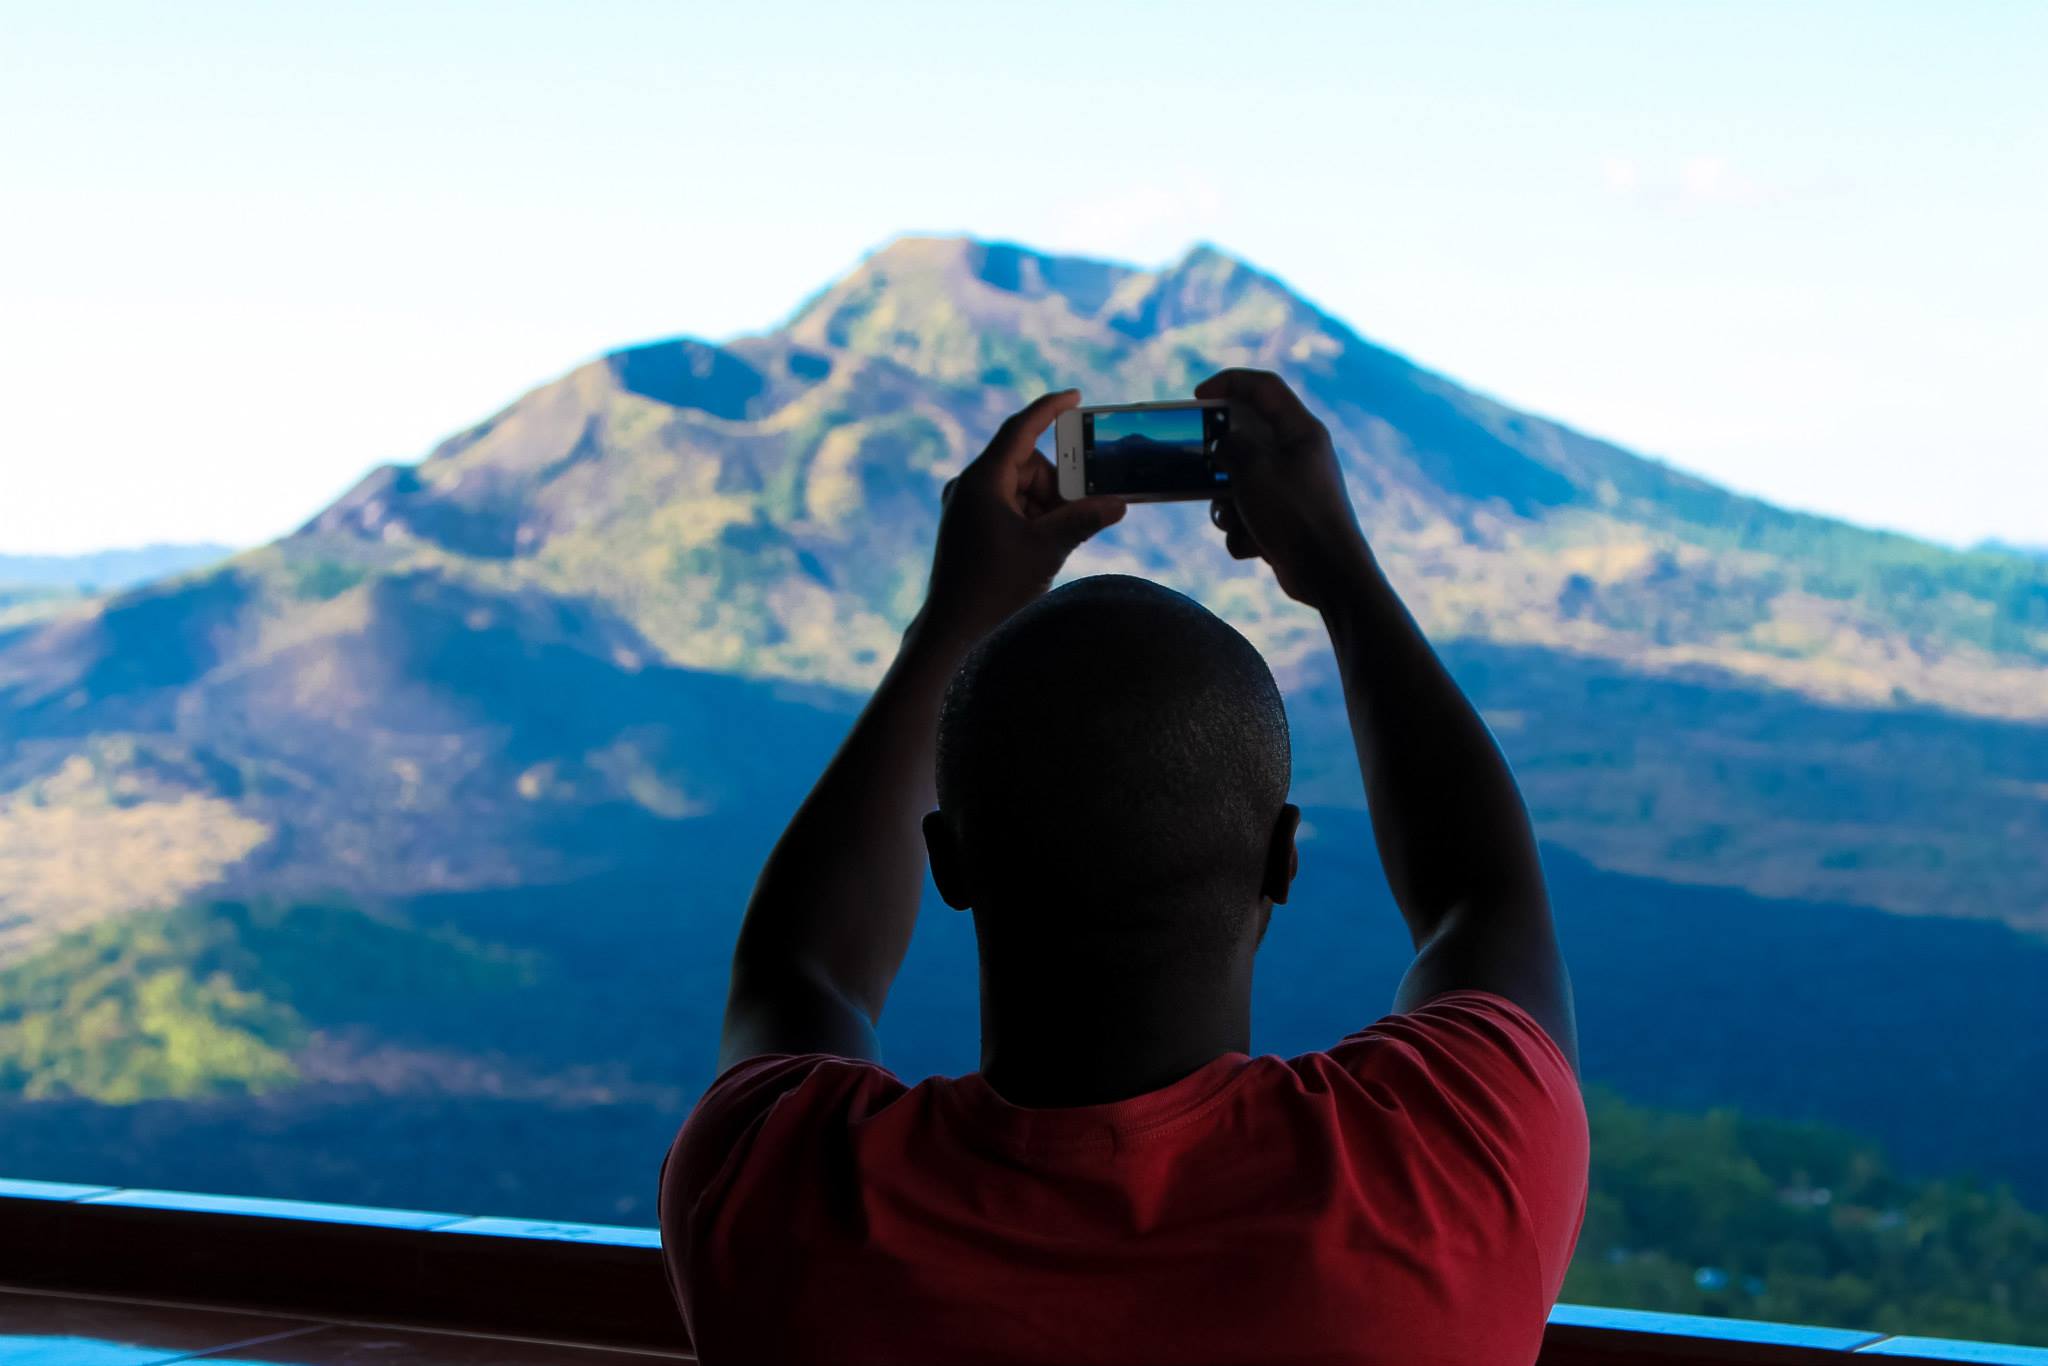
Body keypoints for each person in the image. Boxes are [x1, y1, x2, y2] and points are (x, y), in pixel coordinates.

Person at [658, 371, 1587, 1366]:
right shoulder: (1447, 1164)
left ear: (947, 862)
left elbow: (798, 971)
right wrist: (1337, 569)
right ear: (1280, 859)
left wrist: (953, 616)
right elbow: (1480, 899)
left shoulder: (779, 1190)